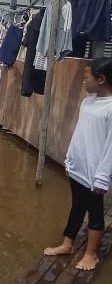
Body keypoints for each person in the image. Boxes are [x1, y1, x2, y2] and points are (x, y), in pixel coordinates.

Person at [43, 57, 112, 270]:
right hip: (78, 168)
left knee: (95, 213)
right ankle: (68, 243)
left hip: (94, 173)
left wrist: (102, 177)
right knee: (77, 207)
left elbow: (111, 147)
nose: (83, 81)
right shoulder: (87, 101)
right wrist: (69, 158)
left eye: (86, 77)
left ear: (101, 79)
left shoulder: (110, 108)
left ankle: (91, 254)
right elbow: (80, 134)